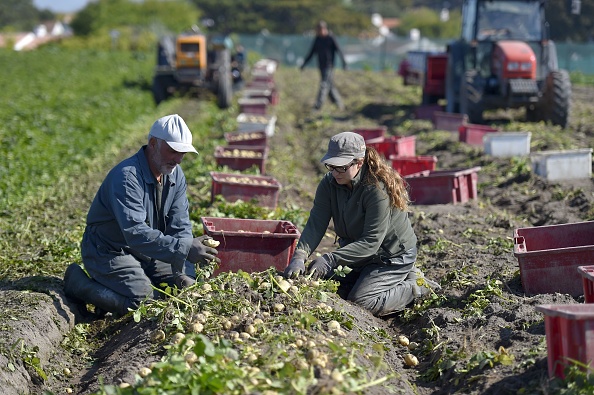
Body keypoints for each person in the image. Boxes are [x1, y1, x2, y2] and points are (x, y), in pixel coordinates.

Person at [63, 114, 220, 318]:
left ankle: (127, 285)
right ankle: (78, 284)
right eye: (174, 151)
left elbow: (179, 225)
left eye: (183, 153)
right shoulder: (127, 177)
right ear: (153, 143)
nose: (179, 159)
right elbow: (135, 233)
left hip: (149, 251)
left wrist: (183, 274)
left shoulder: (175, 174)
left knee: (188, 290)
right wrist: (184, 248)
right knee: (144, 303)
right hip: (109, 250)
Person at [284, 132, 439, 317]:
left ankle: (417, 286)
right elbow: (316, 223)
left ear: (359, 162)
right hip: (359, 253)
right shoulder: (329, 183)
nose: (334, 172)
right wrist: (299, 256)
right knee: (327, 284)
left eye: (341, 167)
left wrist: (331, 259)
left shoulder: (375, 190)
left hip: (390, 256)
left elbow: (372, 242)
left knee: (362, 302)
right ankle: (382, 278)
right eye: (331, 166)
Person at [300, 20, 347, 111]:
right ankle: (339, 105)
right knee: (329, 86)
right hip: (321, 66)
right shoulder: (318, 39)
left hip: (329, 66)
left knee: (324, 85)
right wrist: (304, 64)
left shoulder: (330, 38)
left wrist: (344, 63)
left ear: (324, 29)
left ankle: (317, 106)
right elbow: (312, 52)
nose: (318, 32)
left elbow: (339, 50)